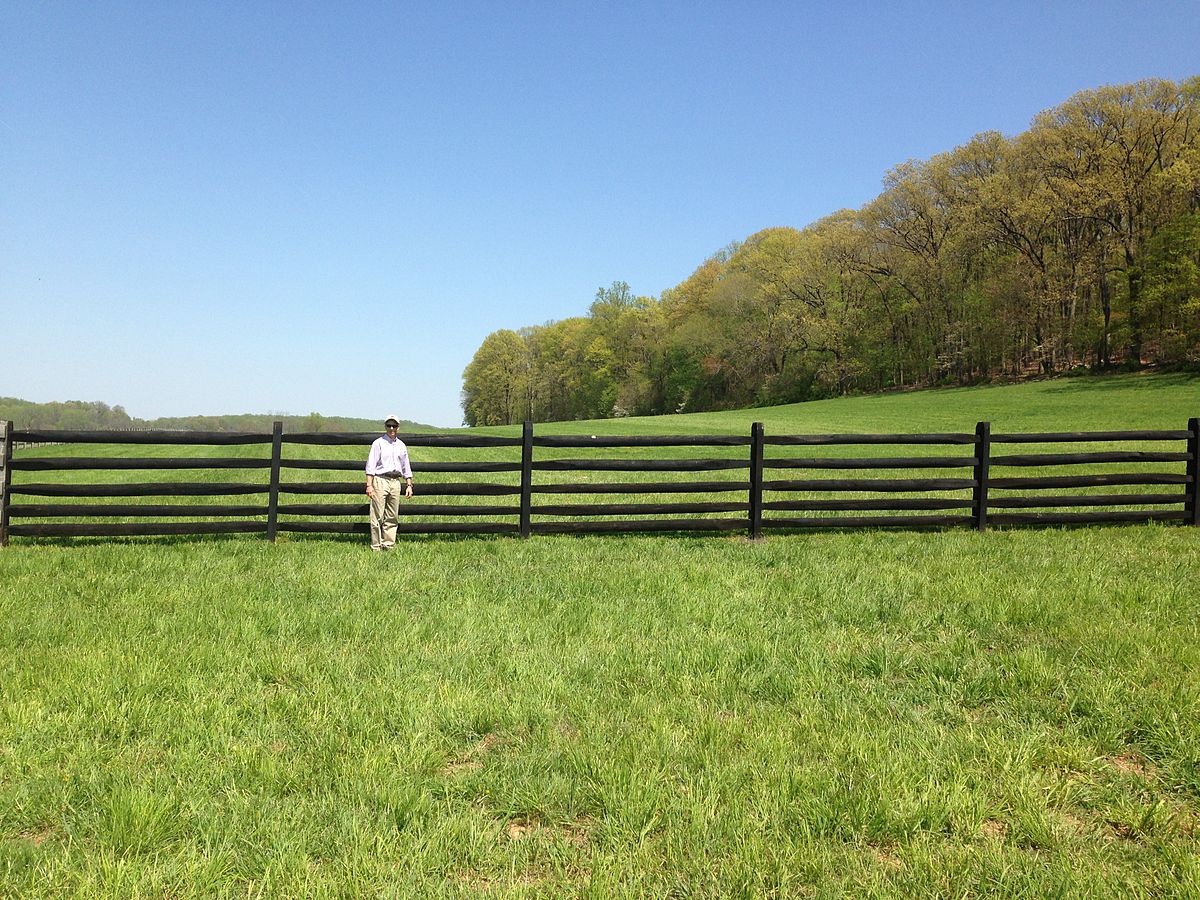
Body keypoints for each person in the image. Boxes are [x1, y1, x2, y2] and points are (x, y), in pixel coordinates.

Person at [365, 414, 413, 551]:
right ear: (385, 426)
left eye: (394, 425)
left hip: (395, 482)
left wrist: (409, 484)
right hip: (380, 480)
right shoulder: (378, 443)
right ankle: (376, 546)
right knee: (377, 515)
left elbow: (406, 467)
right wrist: (369, 485)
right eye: (389, 425)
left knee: (392, 516)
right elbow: (371, 466)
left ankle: (388, 545)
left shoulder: (401, 445)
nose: (391, 428)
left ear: (398, 427)